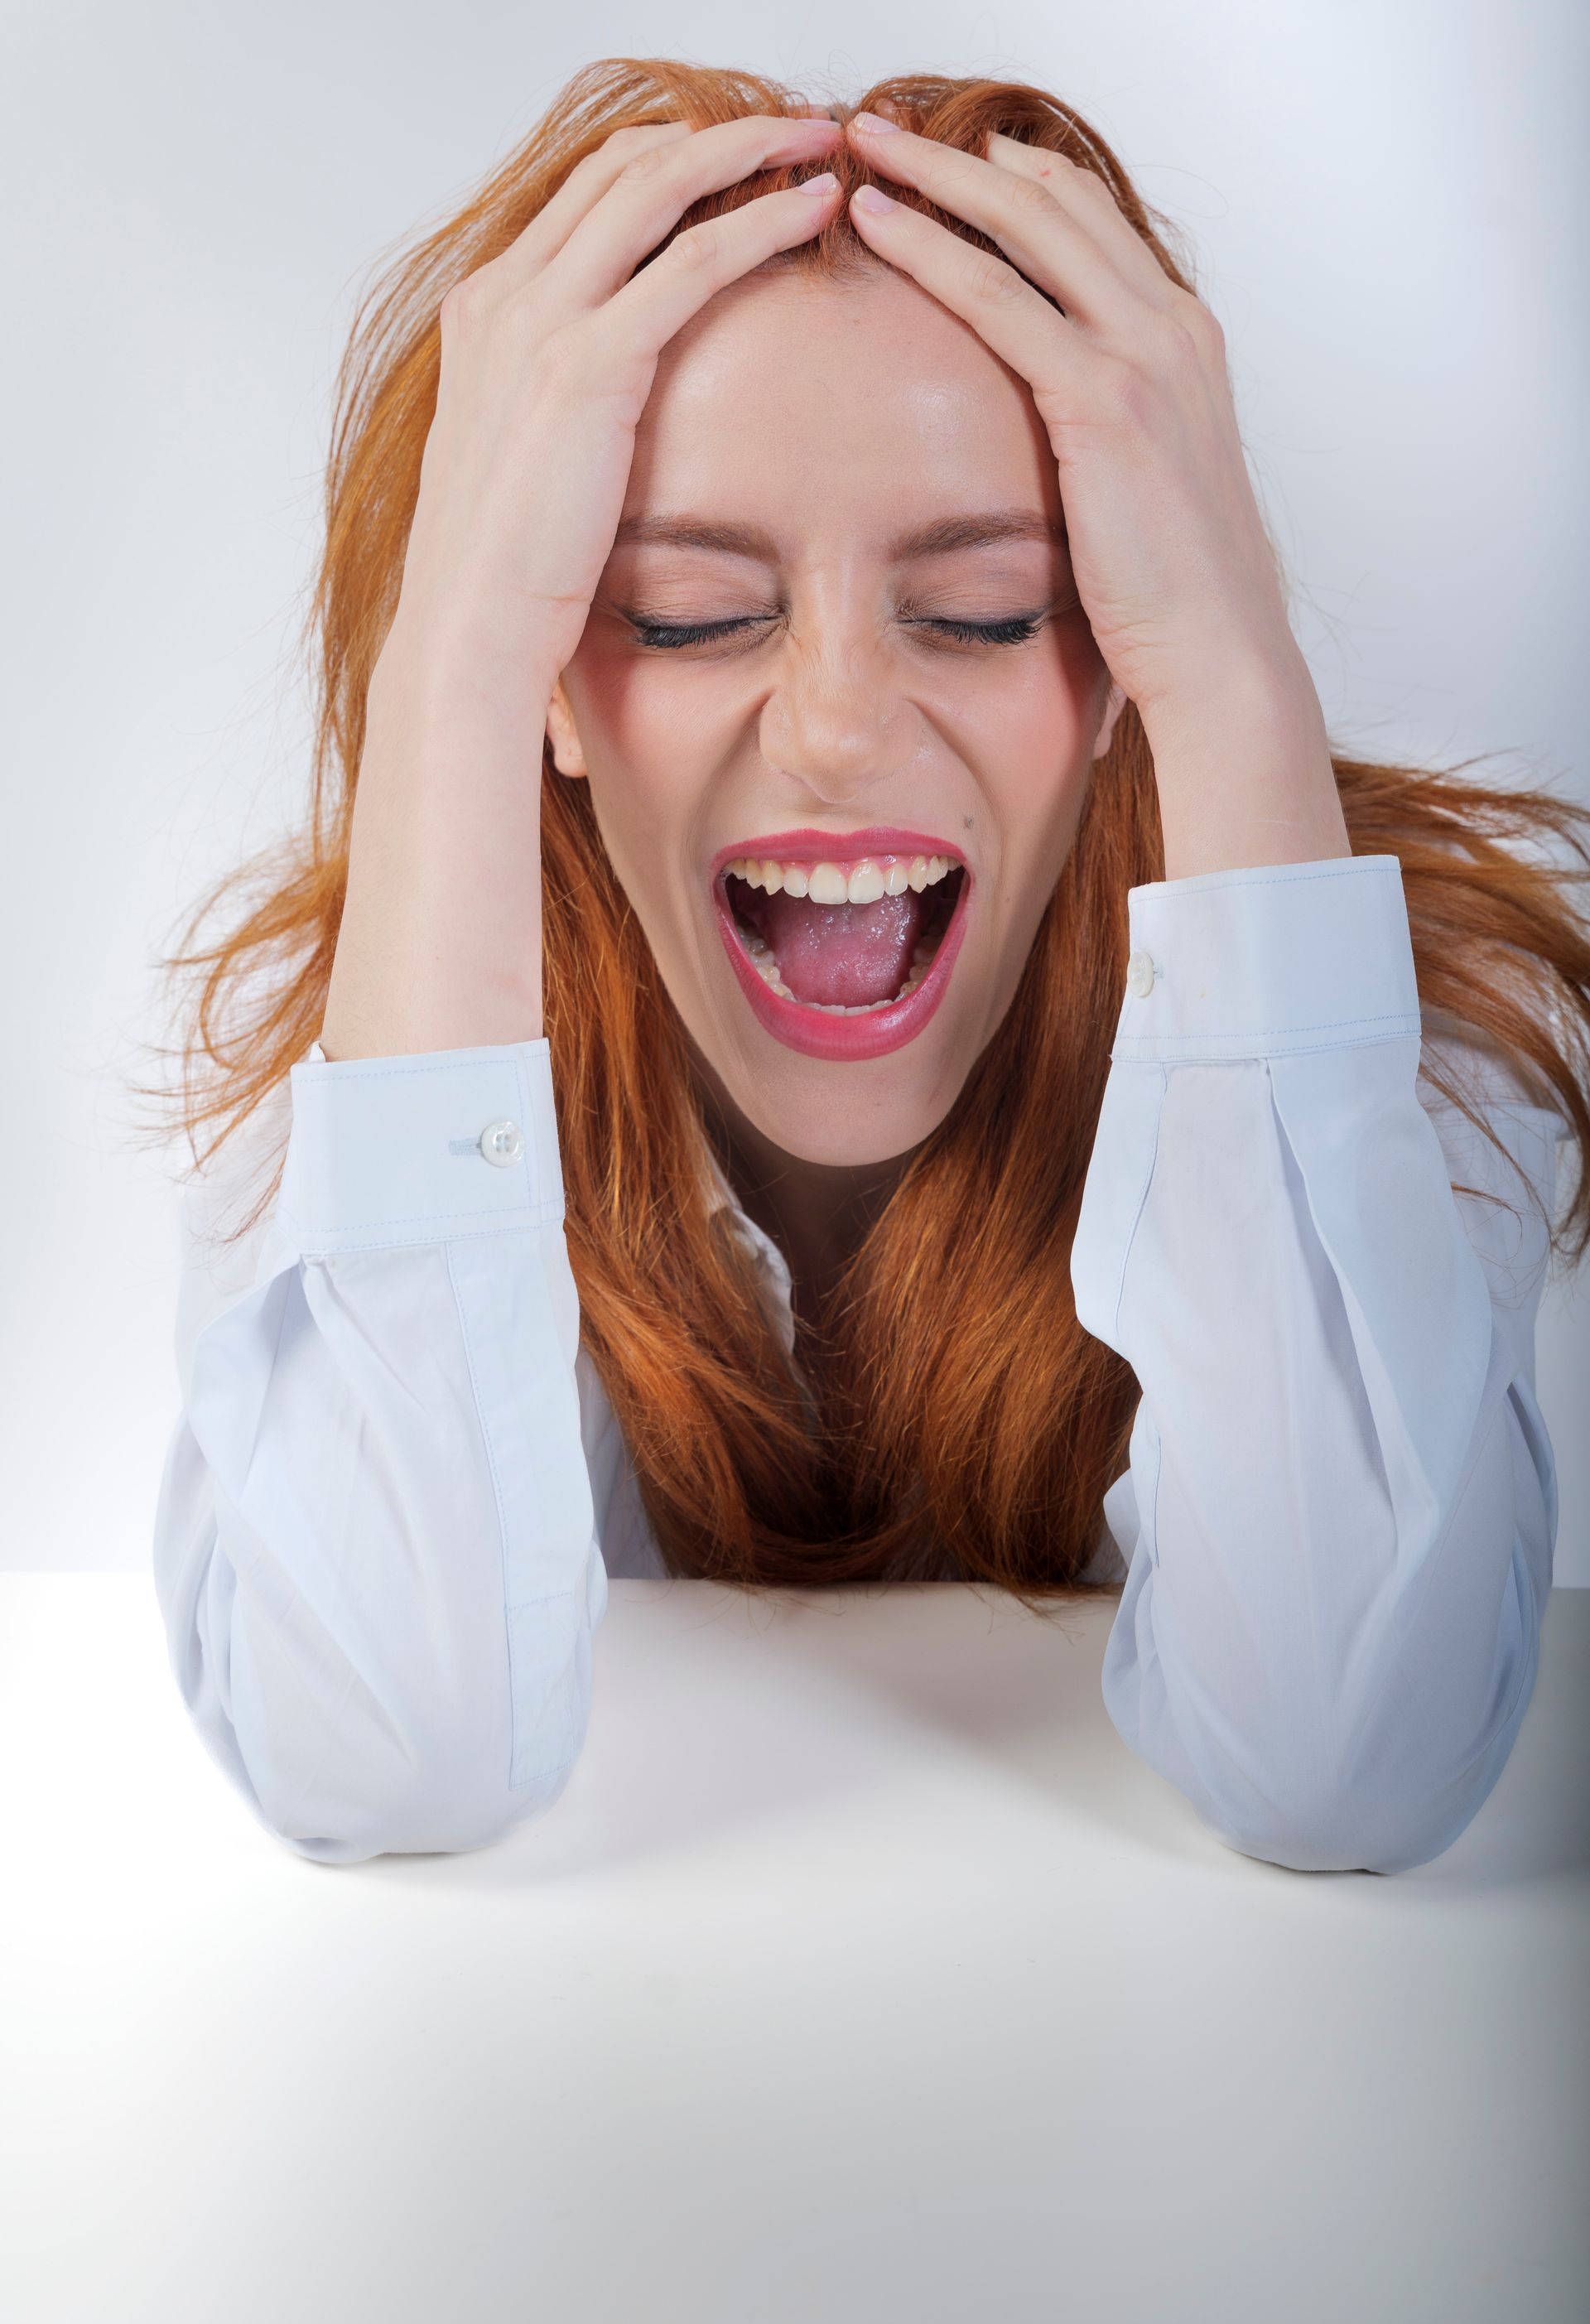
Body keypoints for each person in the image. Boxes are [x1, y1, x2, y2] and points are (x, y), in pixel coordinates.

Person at [146, 60, 1590, 1872]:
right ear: (554, 692)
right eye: (686, 613)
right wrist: (448, 672)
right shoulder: (349, 1066)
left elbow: (1352, 1762)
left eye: (986, 609)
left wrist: (1229, 678)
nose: (833, 728)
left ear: (1121, 655)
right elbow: (382, 1765)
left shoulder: (1402, 1042)